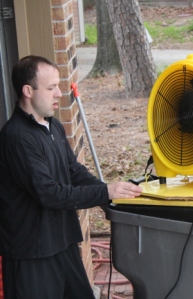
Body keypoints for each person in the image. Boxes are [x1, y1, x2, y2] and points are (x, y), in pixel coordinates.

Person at [0, 55, 143, 299]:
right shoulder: (18, 137)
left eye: (58, 85)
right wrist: (104, 192)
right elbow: (49, 193)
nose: (59, 93)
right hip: (32, 252)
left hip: (61, 241)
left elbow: (73, 171)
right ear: (28, 91)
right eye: (51, 87)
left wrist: (110, 197)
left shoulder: (52, 126)